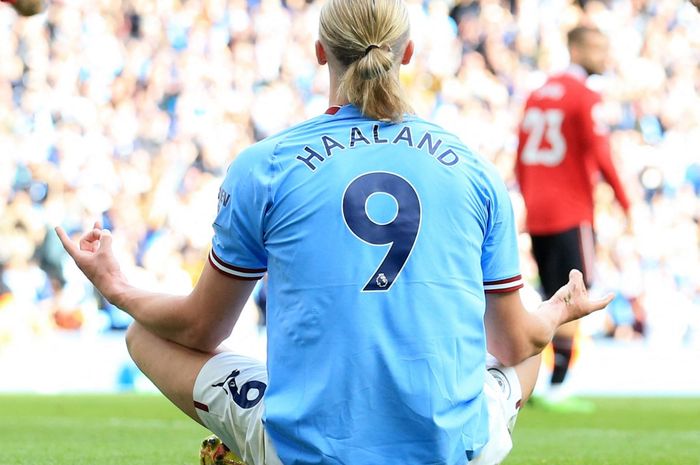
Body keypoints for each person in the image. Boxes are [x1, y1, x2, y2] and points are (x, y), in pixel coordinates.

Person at [56, 1, 612, 464]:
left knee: (143, 333)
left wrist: (118, 288)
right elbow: (513, 344)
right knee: (526, 336)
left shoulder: (264, 165)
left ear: (321, 52)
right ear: (408, 54)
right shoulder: (473, 169)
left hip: (305, 451)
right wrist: (559, 311)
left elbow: (201, 329)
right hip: (453, 450)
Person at [515, 25, 630, 409]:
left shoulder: (536, 94)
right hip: (571, 209)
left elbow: (520, 156)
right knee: (574, 295)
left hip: (539, 211)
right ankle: (560, 383)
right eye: (597, 48)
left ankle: (543, 380)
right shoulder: (584, 95)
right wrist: (627, 204)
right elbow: (601, 152)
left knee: (551, 294)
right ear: (576, 49)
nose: (603, 56)